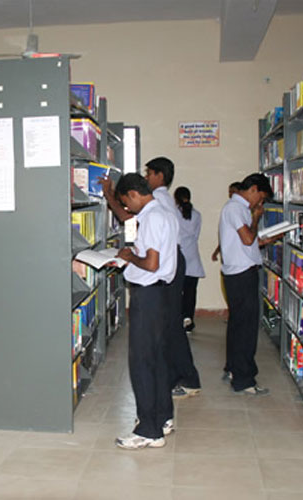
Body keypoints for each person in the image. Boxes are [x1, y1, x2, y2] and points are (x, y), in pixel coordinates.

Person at [112, 173, 177, 450]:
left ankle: (148, 430)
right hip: (161, 294)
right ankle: (163, 417)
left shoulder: (150, 217)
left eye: (126, 202)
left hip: (148, 295)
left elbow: (151, 263)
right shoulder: (166, 212)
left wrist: (129, 257)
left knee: (141, 362)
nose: (127, 207)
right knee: (158, 359)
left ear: (133, 194)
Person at [144, 157, 201, 399]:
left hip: (170, 260)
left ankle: (187, 378)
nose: (146, 177)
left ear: (159, 175)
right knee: (170, 323)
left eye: (149, 173)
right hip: (174, 259)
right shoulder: (165, 199)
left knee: (171, 324)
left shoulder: (158, 199)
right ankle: (181, 376)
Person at [219, 173, 274, 395]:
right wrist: (256, 217)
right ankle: (244, 380)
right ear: (253, 189)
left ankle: (233, 369)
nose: (259, 203)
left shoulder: (236, 208)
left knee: (238, 325)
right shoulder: (236, 208)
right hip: (242, 275)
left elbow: (247, 242)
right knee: (246, 329)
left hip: (237, 273)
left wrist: (266, 240)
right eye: (260, 197)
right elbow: (248, 238)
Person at [174, 186, 205, 333]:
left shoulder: (173, 213)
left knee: (176, 292)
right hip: (193, 257)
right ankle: (188, 320)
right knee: (190, 293)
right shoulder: (197, 215)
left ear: (176, 199)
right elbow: (196, 235)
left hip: (178, 256)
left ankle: (177, 319)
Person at [212, 182, 242, 262]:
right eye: (230, 192)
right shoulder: (229, 208)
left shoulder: (239, 209)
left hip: (238, 256)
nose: (231, 194)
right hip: (229, 255)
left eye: (233, 192)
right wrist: (217, 251)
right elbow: (225, 235)